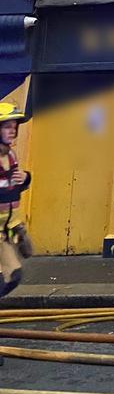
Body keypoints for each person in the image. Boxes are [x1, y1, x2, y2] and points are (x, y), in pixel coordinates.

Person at [0, 101, 33, 299]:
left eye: (14, 127)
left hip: (5, 230)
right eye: (6, 126)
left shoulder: (10, 155)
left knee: (13, 275)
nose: (12, 131)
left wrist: (25, 178)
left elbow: (11, 191)